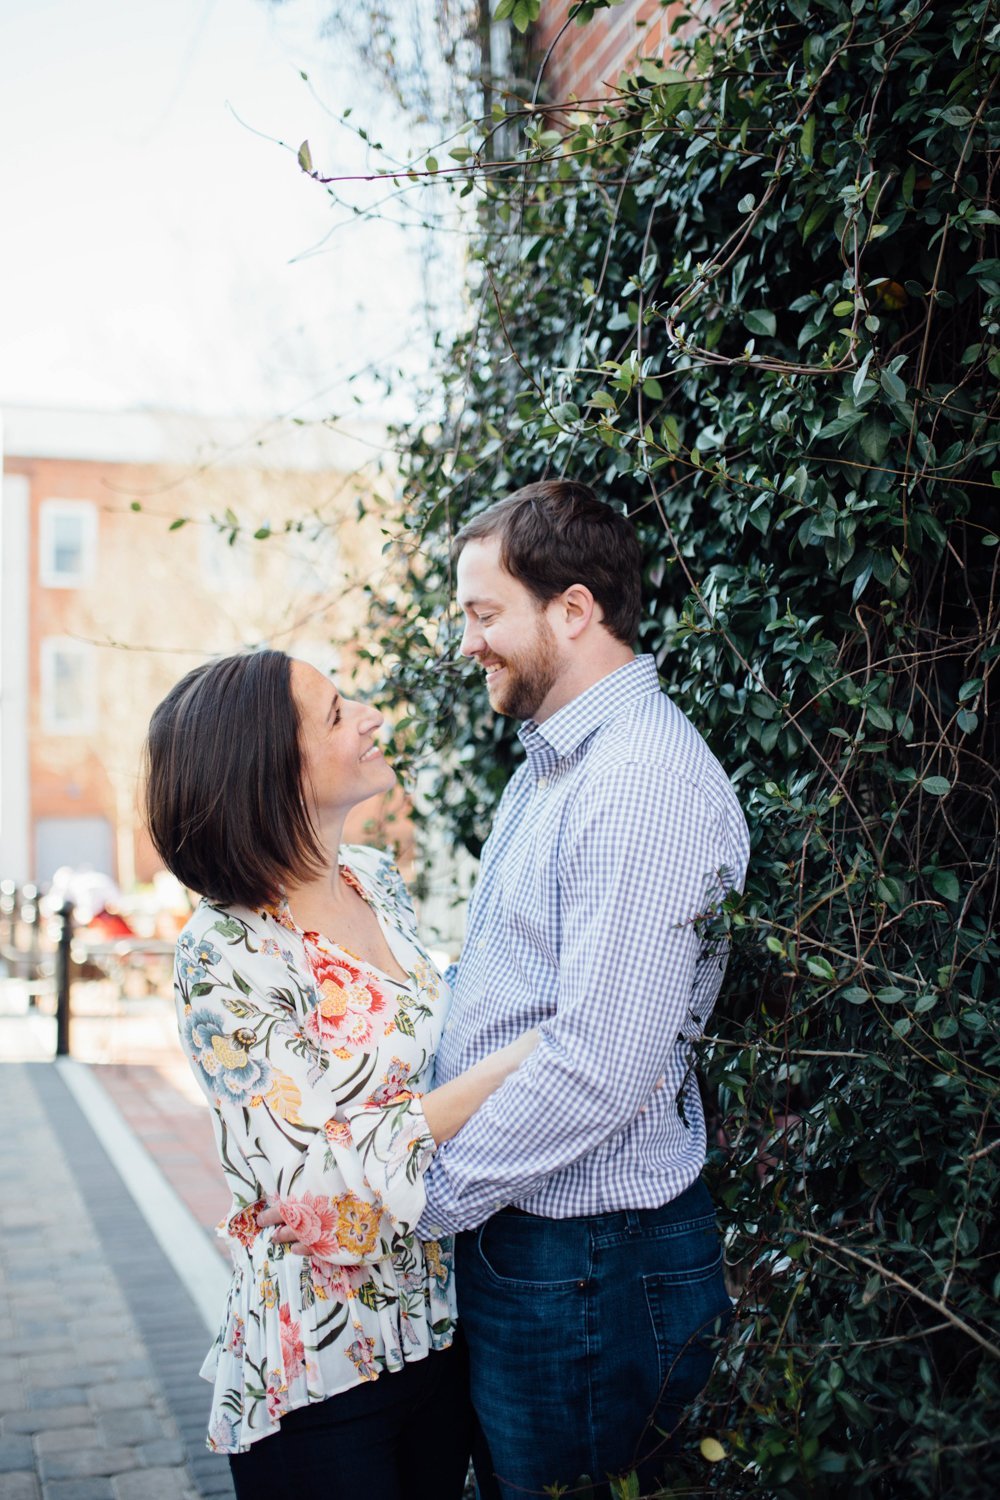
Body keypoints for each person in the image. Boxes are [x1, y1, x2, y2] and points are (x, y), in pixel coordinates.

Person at [414, 480, 750, 1496]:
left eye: (482, 614)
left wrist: (424, 1198)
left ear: (572, 609)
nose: (464, 642)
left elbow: (599, 1065)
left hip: (588, 1262)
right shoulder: (556, 763)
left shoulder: (636, 782)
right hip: (543, 1244)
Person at [143, 649, 536, 1500]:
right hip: (317, 1373)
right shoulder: (226, 954)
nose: (370, 714)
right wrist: (508, 1070)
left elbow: (424, 1051)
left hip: (435, 1332)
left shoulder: (377, 882)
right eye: (334, 713)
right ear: (270, 774)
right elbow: (310, 1192)